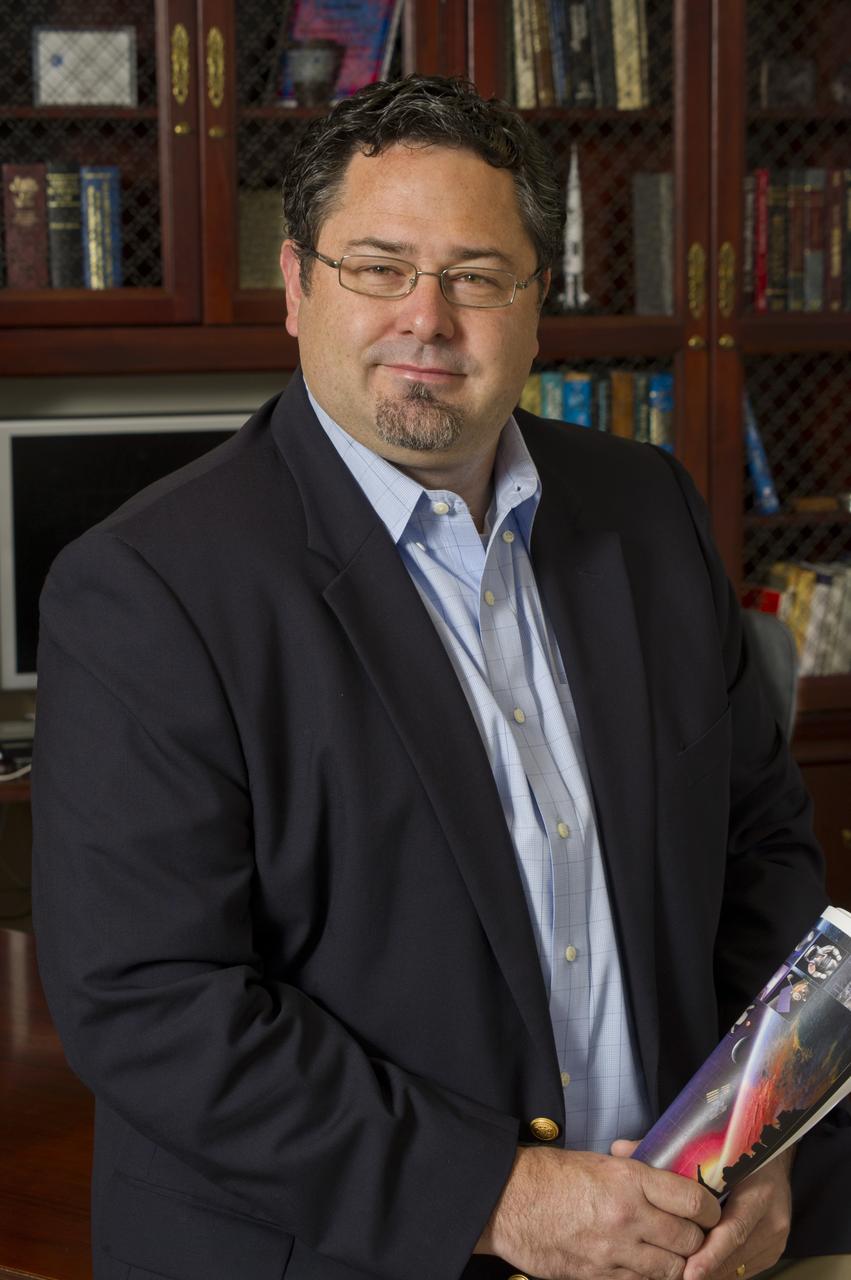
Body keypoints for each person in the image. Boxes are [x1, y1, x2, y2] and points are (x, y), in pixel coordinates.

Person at [31, 75, 849, 1280]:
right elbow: (152, 1003)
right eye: (377, 267)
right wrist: (501, 1197)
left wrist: (763, 1134)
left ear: (534, 303)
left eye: (475, 274)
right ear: (300, 285)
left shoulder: (644, 510)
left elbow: (760, 847)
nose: (428, 317)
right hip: (357, 1253)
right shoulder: (148, 587)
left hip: (684, 1235)